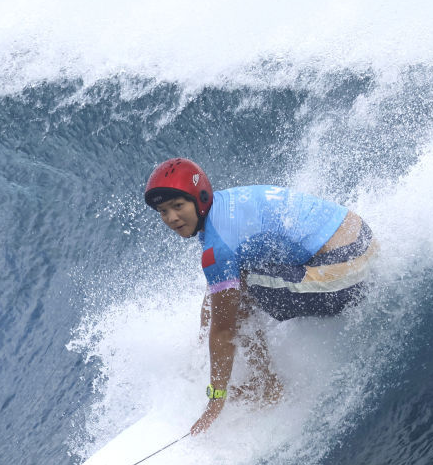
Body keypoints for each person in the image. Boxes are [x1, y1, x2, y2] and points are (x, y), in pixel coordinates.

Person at [144, 158, 378, 435]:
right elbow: (215, 296)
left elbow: (223, 330)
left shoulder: (218, 248)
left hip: (347, 274)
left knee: (238, 292)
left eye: (178, 206)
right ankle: (259, 379)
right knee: (231, 286)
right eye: (163, 211)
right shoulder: (224, 205)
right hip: (360, 237)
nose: (171, 218)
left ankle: (267, 386)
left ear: (200, 199)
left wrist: (215, 401)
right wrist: (201, 349)